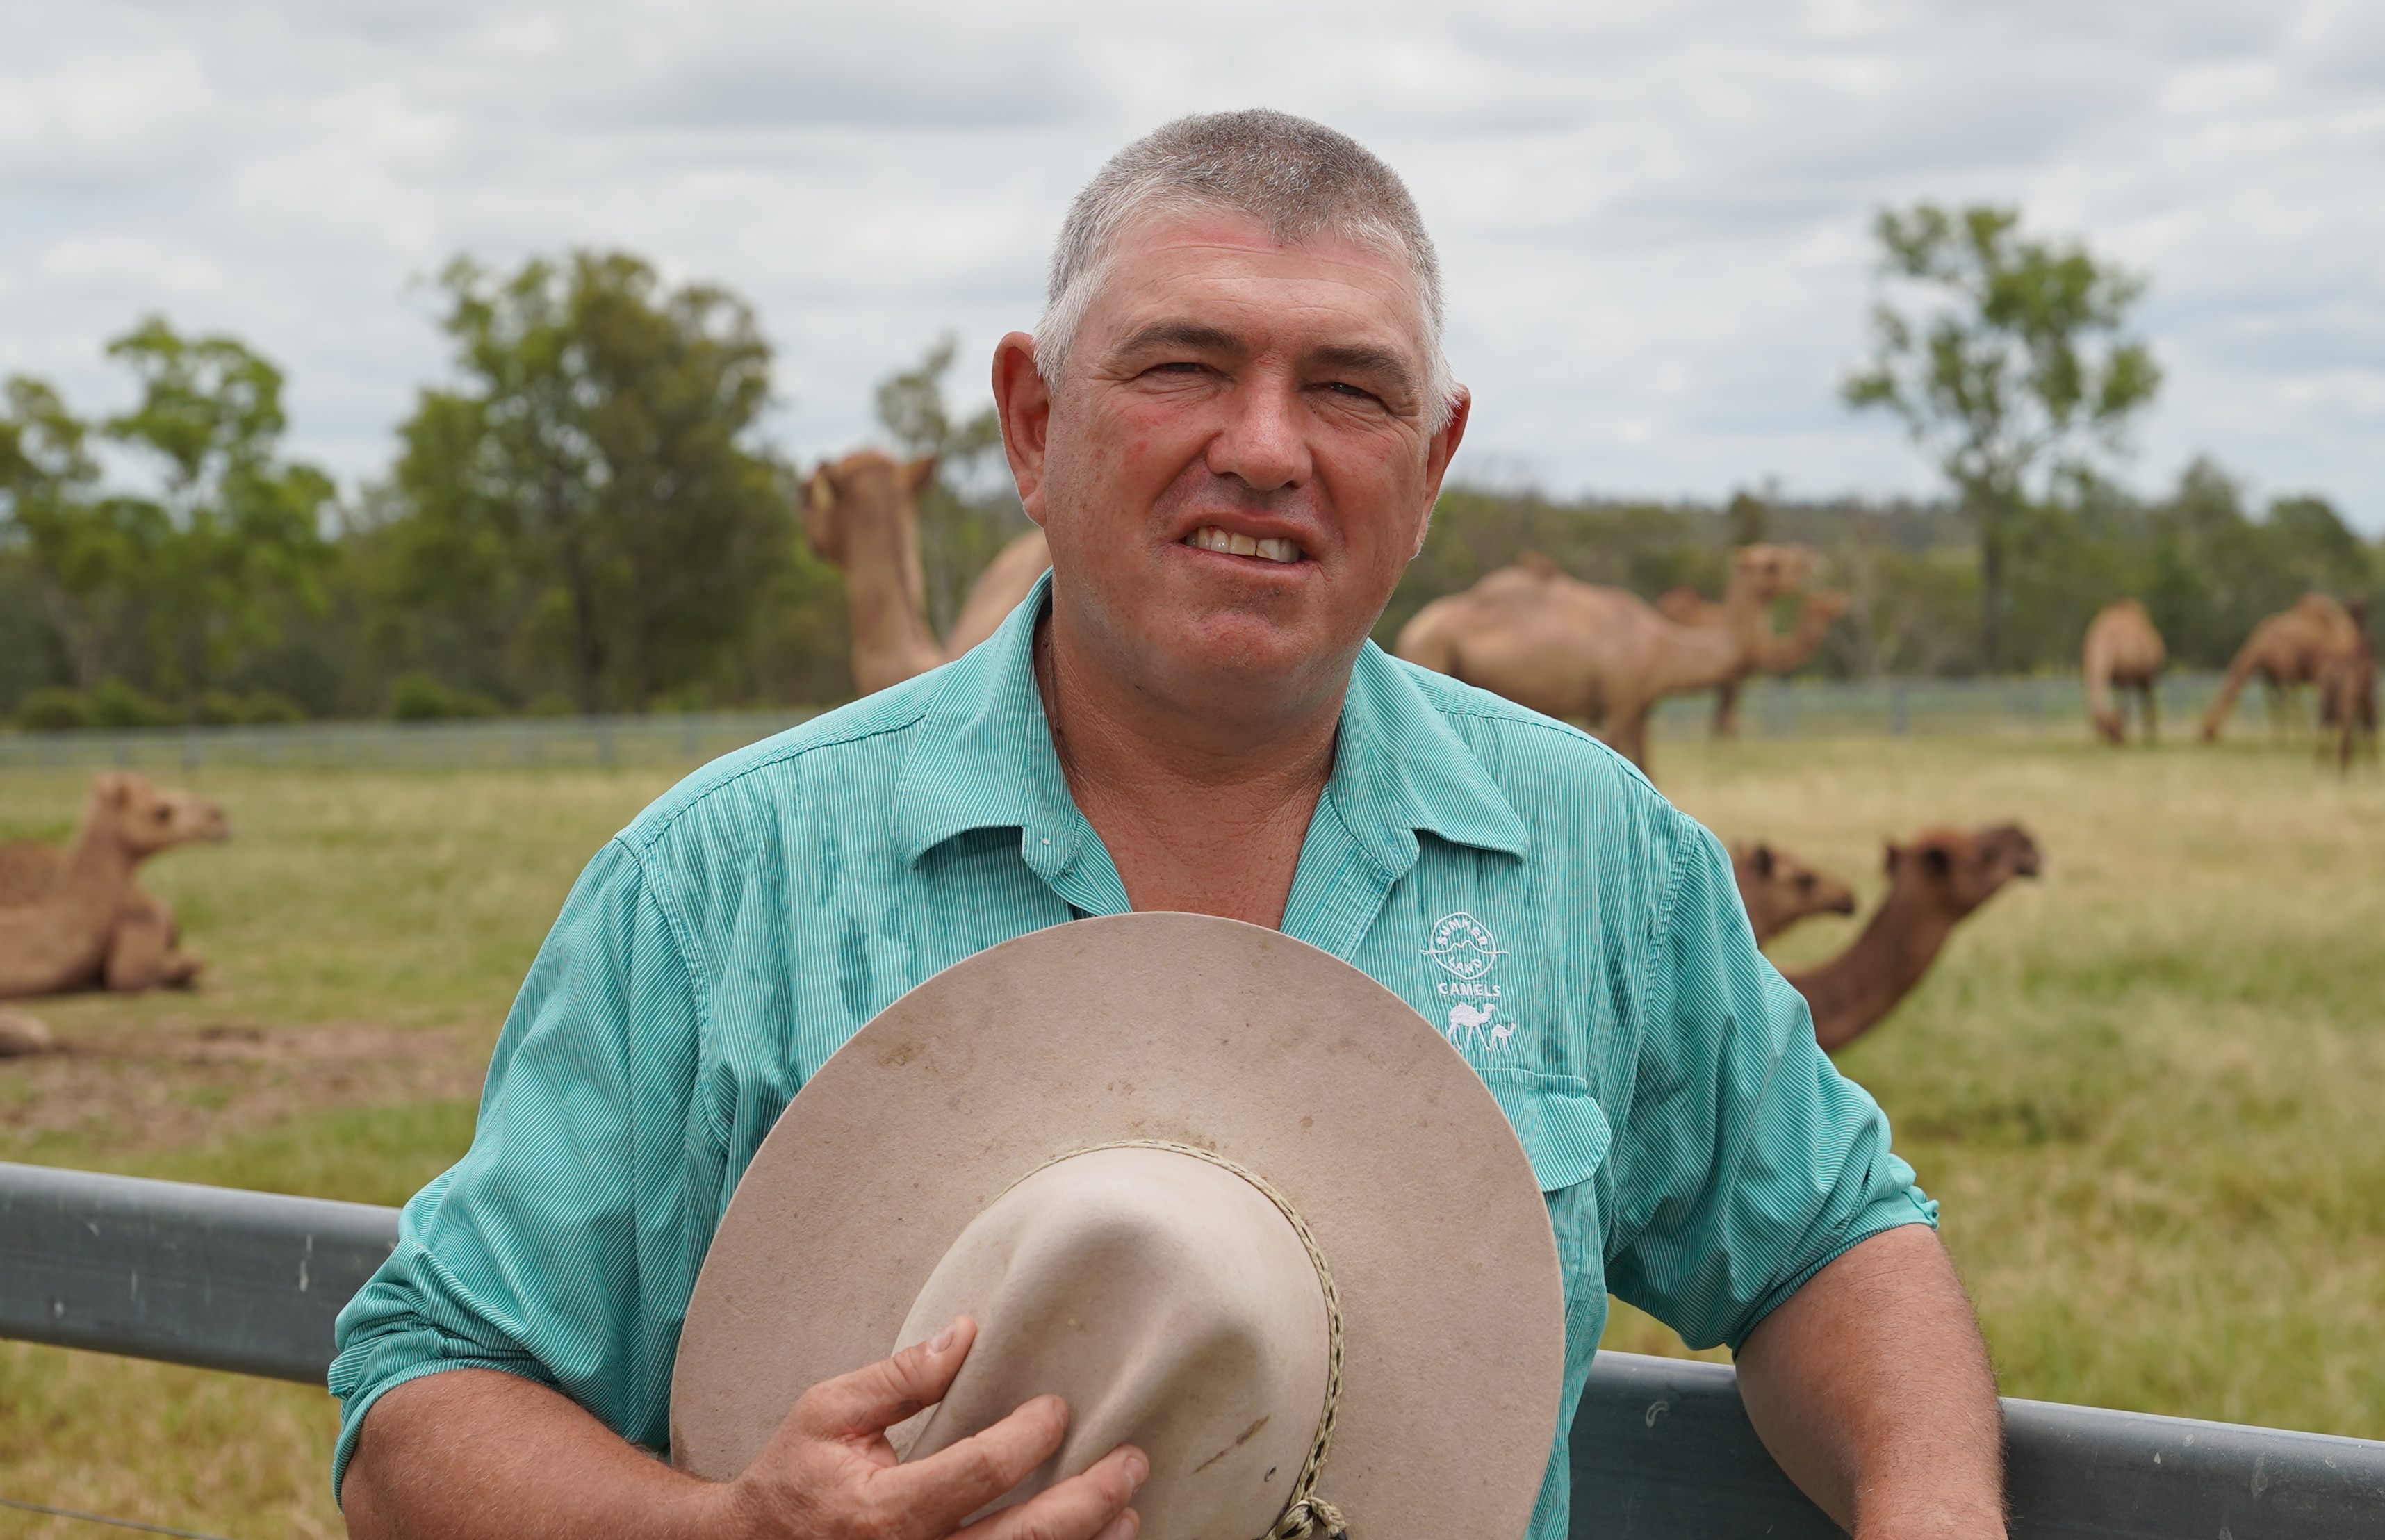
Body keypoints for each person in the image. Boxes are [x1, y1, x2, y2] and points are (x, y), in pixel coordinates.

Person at [333, 109, 2006, 1540]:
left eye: (1350, 389)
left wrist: (1935, 1512)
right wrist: (718, 1530)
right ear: (1036, 423)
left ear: (1431, 466)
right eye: (1185, 365)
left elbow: (1827, 1238)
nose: (1264, 448)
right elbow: (424, 1396)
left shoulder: (1597, 856)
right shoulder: (719, 890)